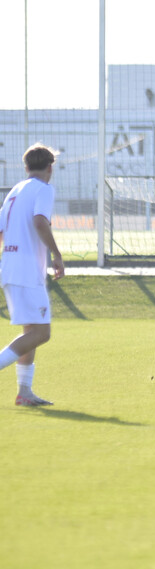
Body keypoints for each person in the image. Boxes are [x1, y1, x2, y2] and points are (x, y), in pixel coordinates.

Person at [0, 144, 65, 406]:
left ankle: (24, 392)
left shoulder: (15, 191)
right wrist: (57, 254)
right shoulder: (44, 189)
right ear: (51, 167)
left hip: (11, 268)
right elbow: (40, 221)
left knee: (30, 331)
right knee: (41, 333)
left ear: (26, 167)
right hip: (27, 272)